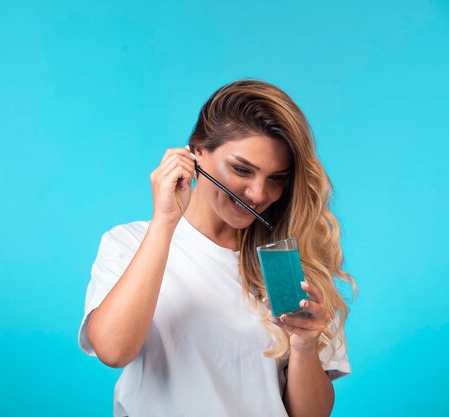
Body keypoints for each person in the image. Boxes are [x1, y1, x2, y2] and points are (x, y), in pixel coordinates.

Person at [78, 79, 358, 417]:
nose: (257, 194)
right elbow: (113, 350)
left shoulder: (288, 266)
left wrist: (304, 344)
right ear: (197, 152)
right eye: (242, 169)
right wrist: (165, 222)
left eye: (276, 178)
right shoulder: (130, 242)